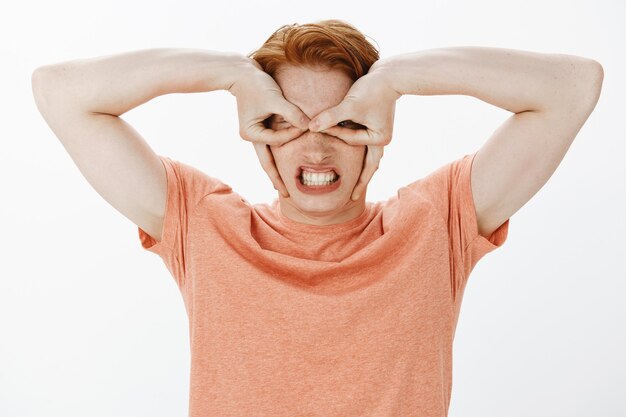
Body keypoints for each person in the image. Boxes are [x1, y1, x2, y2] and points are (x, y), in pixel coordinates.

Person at [32, 19, 603, 417]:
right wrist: (232, 75)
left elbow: (574, 86)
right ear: (262, 137)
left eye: (342, 123)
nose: (315, 149)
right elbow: (60, 92)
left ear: (376, 132)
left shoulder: (435, 224)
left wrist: (395, 80)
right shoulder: (205, 224)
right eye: (289, 123)